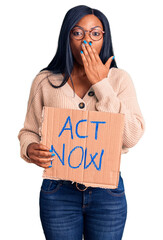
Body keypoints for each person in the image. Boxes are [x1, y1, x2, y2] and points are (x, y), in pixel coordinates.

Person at [17, 5, 145, 240]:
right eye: (78, 33)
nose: (87, 41)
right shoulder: (45, 80)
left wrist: (101, 83)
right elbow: (29, 131)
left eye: (95, 33)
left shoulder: (119, 80)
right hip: (58, 192)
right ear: (67, 36)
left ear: (104, 38)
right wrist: (29, 148)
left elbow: (131, 137)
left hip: (108, 193)